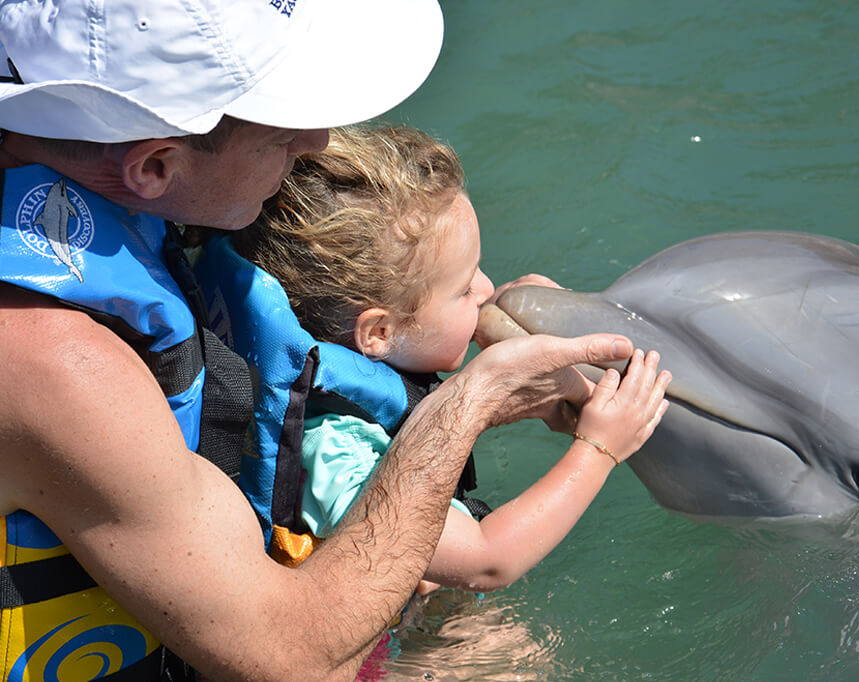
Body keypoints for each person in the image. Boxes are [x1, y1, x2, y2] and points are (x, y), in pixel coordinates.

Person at [0, 1, 643, 679]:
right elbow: (293, 656)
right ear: (155, 166)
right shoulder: (57, 362)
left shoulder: (109, 194)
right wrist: (469, 403)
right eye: (279, 133)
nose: (316, 139)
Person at [223, 125, 671, 594]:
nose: (485, 288)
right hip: (367, 647)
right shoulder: (334, 451)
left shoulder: (350, 369)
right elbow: (486, 561)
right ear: (379, 332)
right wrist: (599, 448)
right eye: (463, 289)